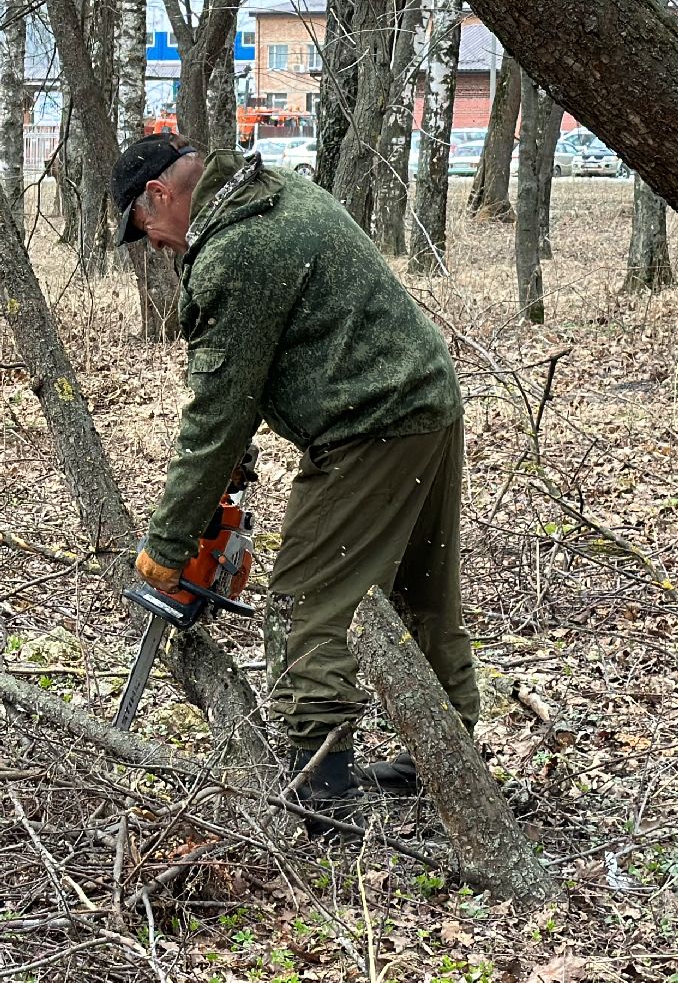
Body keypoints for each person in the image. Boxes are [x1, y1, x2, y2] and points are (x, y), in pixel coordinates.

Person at [113, 132, 477, 832]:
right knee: (421, 589)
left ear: (158, 195)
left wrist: (168, 542)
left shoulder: (235, 251)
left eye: (144, 231)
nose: (154, 248)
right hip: (425, 398)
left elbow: (217, 412)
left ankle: (322, 792)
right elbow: (274, 355)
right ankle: (447, 760)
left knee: (306, 604)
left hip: (369, 423)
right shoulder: (271, 187)